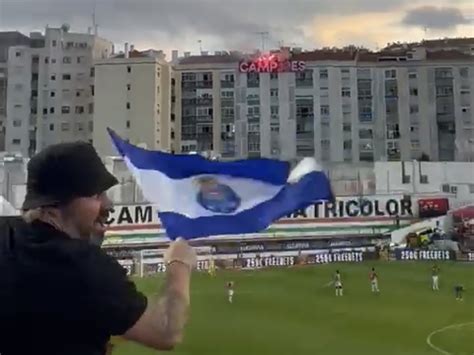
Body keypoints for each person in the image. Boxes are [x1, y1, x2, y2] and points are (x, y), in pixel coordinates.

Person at [0, 142, 197, 355]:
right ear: (56, 205)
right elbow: (165, 332)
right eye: (96, 195)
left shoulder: (5, 237)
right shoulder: (86, 267)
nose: (108, 205)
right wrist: (179, 265)